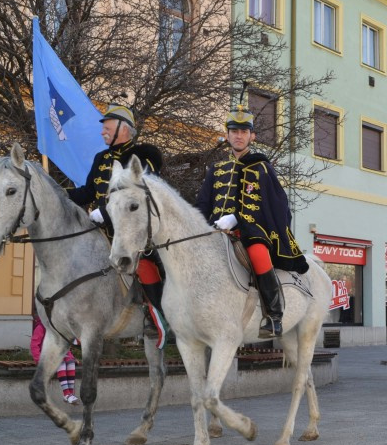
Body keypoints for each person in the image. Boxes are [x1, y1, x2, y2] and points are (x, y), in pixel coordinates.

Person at [196, 103, 308, 338]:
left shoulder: (261, 167)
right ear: (227, 135)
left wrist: (236, 218)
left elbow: (274, 205)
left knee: (257, 251)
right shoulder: (216, 169)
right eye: (234, 131)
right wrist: (200, 226)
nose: (239, 136)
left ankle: (274, 315)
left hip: (250, 230)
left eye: (244, 132)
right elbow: (203, 205)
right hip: (216, 230)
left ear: (252, 136)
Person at [67, 102, 169, 346]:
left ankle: (160, 317)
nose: (102, 131)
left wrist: (105, 211)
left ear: (124, 128)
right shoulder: (101, 158)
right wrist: (59, 194)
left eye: (107, 126)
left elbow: (137, 193)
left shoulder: (142, 157)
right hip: (102, 229)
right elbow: (88, 192)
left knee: (144, 263)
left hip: (132, 229)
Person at [30, 316, 78, 405]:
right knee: (61, 363)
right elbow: (34, 345)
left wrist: (71, 356)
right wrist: (38, 360)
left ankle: (70, 394)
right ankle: (67, 394)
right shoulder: (41, 328)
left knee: (71, 363)